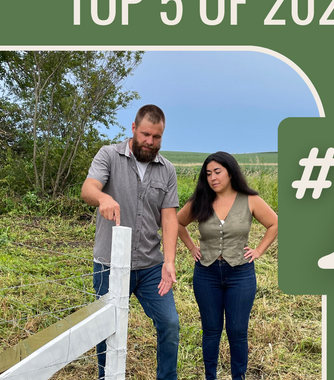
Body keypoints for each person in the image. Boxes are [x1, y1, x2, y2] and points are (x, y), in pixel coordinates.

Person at [81, 104, 180, 380]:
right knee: (105, 328)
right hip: (109, 263)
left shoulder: (167, 170)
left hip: (151, 266)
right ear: (134, 129)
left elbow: (170, 219)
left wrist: (169, 262)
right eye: (146, 134)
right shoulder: (109, 155)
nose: (150, 142)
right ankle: (105, 376)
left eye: (156, 137)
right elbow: (88, 188)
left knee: (170, 324)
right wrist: (103, 198)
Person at [177, 152, 278, 380]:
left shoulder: (249, 200)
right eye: (208, 173)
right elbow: (177, 222)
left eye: (217, 172)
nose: (212, 178)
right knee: (211, 331)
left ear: (231, 172)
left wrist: (259, 251)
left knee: (237, 332)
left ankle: (238, 377)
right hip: (206, 274)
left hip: (240, 274)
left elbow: (274, 223)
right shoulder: (200, 200)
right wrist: (192, 247)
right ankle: (210, 376)